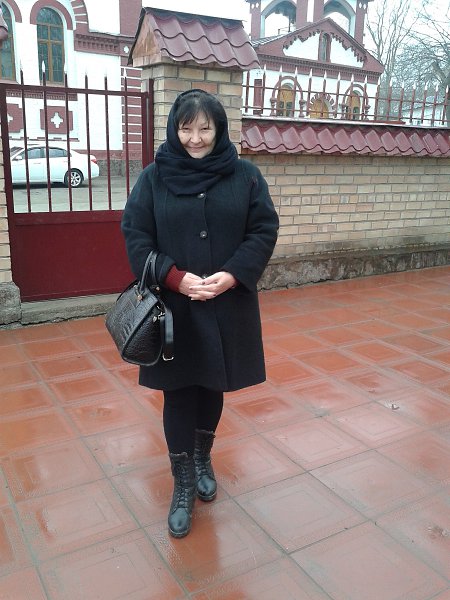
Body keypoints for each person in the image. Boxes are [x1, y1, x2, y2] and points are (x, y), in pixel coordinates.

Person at [121, 89, 279, 538]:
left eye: (204, 128)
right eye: (186, 128)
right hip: (174, 310)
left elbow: (263, 229)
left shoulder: (245, 176)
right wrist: (175, 278)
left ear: (219, 128)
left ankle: (202, 457)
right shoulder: (153, 178)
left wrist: (233, 275)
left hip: (226, 304)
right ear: (175, 129)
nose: (195, 138)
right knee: (179, 393)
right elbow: (135, 234)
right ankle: (183, 481)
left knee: (213, 386)